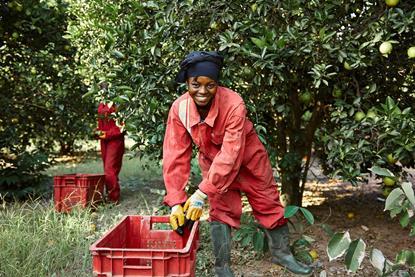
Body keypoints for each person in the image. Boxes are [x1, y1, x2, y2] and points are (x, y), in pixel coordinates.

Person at [162, 51, 313, 276]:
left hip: (249, 160)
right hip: (213, 165)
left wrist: (201, 193)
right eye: (196, 84)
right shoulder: (179, 109)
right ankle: (222, 268)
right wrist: (176, 200)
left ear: (217, 84)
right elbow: (175, 154)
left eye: (210, 85)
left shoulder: (234, 103)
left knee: (268, 203)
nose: (202, 91)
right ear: (187, 82)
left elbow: (231, 153)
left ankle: (282, 255)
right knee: (221, 210)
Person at [96, 98, 125, 204]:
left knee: (110, 169)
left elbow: (122, 126)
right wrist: (98, 132)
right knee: (108, 169)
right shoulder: (101, 101)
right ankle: (109, 193)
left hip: (115, 140)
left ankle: (113, 198)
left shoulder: (118, 101)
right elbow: (100, 121)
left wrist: (106, 134)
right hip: (104, 140)